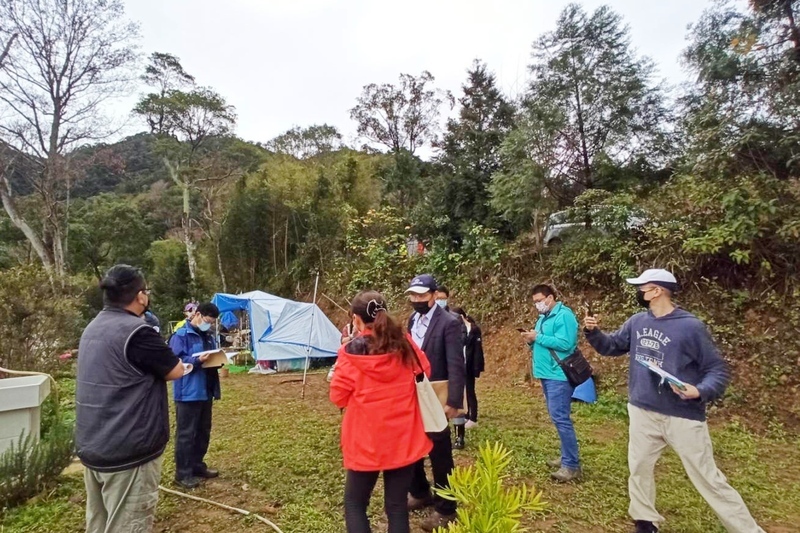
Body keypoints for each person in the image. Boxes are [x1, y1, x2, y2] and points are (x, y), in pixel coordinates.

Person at [584, 269, 765, 533]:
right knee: (639, 468)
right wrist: (594, 332)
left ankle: (748, 530)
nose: (639, 293)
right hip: (642, 410)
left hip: (682, 414)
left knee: (708, 478)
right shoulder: (637, 322)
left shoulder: (690, 326)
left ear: (657, 291)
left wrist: (700, 390)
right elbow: (612, 346)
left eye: (642, 288)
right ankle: (645, 521)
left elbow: (717, 369)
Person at [76, 265, 184, 533]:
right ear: (140, 296)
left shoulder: (93, 327)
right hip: (128, 450)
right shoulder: (138, 332)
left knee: (99, 523)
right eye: (145, 291)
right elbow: (175, 370)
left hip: (94, 445)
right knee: (127, 525)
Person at [330, 291, 433, 533]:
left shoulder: (351, 352)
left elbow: (338, 397)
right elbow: (425, 368)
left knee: (355, 503)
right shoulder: (403, 343)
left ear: (356, 320)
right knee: (397, 506)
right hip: (404, 435)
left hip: (366, 440)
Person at [405, 274, 466, 532]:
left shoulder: (449, 323)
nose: (417, 300)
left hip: (437, 393)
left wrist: (453, 400)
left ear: (433, 295)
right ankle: (420, 491)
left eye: (421, 295)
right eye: (413, 295)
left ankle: (446, 507)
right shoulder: (412, 320)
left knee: (439, 451)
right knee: (412, 445)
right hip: (414, 392)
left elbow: (456, 363)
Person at [520, 284, 582, 482]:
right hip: (546, 374)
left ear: (550, 297)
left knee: (561, 418)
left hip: (559, 375)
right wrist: (531, 339)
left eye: (540, 300)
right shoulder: (543, 318)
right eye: (535, 302)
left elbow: (566, 343)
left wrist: (538, 337)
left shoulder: (565, 316)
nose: (538, 304)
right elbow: (541, 341)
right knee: (557, 417)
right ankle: (566, 457)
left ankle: (571, 465)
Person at [169, 302, 222, 489]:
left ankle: (197, 465)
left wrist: (218, 360)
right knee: (186, 434)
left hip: (205, 389)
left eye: (212, 323)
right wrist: (197, 360)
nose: (209, 325)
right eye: (207, 321)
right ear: (197, 315)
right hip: (188, 392)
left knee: (203, 431)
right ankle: (182, 474)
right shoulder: (181, 336)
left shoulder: (207, 336)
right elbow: (175, 362)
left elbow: (212, 356)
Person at [434, 284, 469, 449]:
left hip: (453, 365)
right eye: (437, 297)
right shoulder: (428, 318)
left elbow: (462, 339)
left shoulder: (454, 317)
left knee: (456, 402)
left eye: (442, 298)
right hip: (436, 367)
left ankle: (459, 436)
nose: (440, 300)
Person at [451, 307, 484, 429]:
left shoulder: (474, 329)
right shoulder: (457, 329)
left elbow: (477, 351)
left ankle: (473, 417)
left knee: (470, 391)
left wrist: (477, 367)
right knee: (461, 391)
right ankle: (465, 414)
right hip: (459, 365)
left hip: (469, 365)